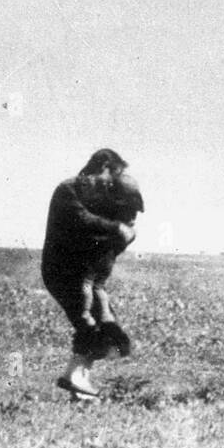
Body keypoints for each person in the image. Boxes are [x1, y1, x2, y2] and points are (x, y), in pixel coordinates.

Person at [42, 149, 142, 399]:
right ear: (105, 166)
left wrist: (122, 229)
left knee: (108, 329)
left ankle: (79, 381)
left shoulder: (103, 198)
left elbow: (116, 238)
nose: (113, 182)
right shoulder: (69, 190)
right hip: (65, 273)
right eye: (115, 174)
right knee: (88, 325)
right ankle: (74, 377)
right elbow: (81, 220)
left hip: (90, 278)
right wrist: (116, 228)